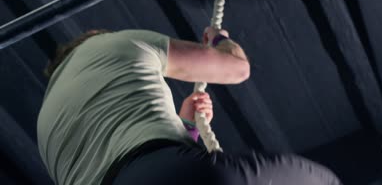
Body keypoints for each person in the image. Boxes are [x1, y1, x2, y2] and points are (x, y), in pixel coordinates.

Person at [37, 27, 341, 185]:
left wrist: (188, 128)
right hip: (169, 173)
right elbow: (236, 68)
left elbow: (115, 159)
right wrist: (218, 40)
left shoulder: (44, 127)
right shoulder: (113, 43)